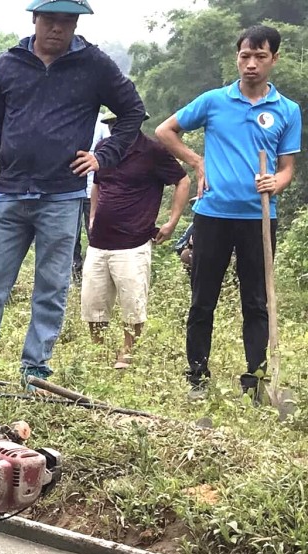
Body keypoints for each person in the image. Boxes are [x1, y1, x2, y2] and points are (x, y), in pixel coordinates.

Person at [0, 0, 145, 388]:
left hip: (62, 196)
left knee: (51, 288)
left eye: (67, 21)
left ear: (77, 22)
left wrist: (103, 156)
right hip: (9, 193)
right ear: (35, 18)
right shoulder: (8, 64)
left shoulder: (94, 64)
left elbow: (133, 112)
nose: (58, 29)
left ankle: (35, 374)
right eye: (50, 20)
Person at [154, 24, 301, 401]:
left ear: (274, 59)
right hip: (213, 214)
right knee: (204, 298)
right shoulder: (214, 101)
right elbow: (165, 130)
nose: (251, 64)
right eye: (245, 56)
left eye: (260, 57)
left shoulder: (287, 110)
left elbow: (286, 167)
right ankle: (198, 378)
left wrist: (278, 183)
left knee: (257, 301)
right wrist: (197, 162)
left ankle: (254, 380)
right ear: (237, 58)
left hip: (260, 217)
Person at [80, 112, 190, 367]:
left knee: (133, 302)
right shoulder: (103, 148)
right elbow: (97, 184)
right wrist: (93, 215)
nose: (116, 129)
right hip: (99, 241)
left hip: (133, 241)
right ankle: (100, 353)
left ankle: (127, 354)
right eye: (112, 125)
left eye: (121, 124)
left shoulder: (153, 150)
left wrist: (172, 222)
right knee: (93, 303)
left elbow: (182, 181)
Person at [71, 114, 112, 282]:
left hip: (92, 190)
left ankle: (95, 275)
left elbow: (109, 152)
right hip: (71, 190)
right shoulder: (70, 117)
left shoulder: (101, 121)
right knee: (71, 237)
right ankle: (76, 276)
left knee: (94, 232)